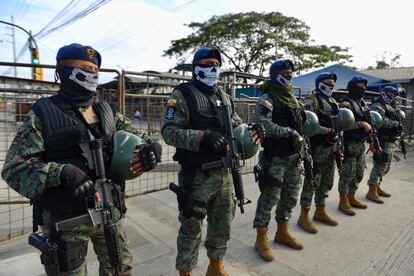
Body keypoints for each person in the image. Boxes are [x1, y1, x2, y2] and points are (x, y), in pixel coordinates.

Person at [1, 43, 161, 276]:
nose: (93, 75)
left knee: (121, 270)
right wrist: (61, 172)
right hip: (66, 221)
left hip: (110, 212)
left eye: (96, 70)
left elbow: (145, 138)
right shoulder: (42, 114)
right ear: (64, 72)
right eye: (86, 69)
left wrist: (152, 149)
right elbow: (14, 169)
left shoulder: (107, 113)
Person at [161, 47, 263, 276]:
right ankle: (185, 271)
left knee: (223, 223)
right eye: (207, 63)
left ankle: (215, 266)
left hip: (225, 174)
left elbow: (235, 124)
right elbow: (169, 132)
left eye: (216, 64)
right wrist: (203, 137)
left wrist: (252, 131)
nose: (213, 68)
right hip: (196, 176)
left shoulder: (223, 95)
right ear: (196, 67)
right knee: (191, 228)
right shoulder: (182, 95)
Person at [253, 59, 306, 262]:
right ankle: (261, 238)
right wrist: (289, 132)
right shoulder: (267, 99)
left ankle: (282, 231)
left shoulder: (292, 99)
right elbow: (263, 124)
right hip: (275, 158)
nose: (289, 76)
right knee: (269, 199)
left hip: (294, 157)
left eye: (291, 73)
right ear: (275, 75)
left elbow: (302, 125)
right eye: (285, 73)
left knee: (291, 196)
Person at [297, 72, 339, 234]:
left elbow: (337, 122)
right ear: (319, 83)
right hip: (317, 149)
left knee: (327, 181)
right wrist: (327, 131)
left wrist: (336, 136)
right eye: (328, 82)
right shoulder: (311, 101)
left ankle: (320, 211)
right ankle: (303, 217)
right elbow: (306, 124)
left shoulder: (333, 101)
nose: (331, 86)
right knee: (312, 182)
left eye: (332, 83)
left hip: (331, 147)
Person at [337, 77, 372, 216]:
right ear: (352, 86)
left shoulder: (362, 102)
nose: (363, 88)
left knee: (359, 173)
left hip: (360, 143)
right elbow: (341, 123)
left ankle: (351, 197)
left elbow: (369, 120)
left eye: (364, 85)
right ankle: (343, 201)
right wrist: (360, 125)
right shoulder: (346, 103)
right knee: (347, 174)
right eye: (360, 85)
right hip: (349, 143)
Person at [366, 86, 401, 203]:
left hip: (390, 140)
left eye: (393, 95)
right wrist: (394, 124)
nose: (391, 97)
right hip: (382, 140)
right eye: (389, 95)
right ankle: (371, 190)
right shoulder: (378, 105)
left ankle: (377, 187)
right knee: (379, 166)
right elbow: (379, 119)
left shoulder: (391, 105)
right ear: (384, 93)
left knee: (386, 167)